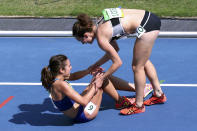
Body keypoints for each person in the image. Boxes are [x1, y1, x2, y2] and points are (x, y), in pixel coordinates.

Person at [72, 8, 167, 115]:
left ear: (86, 35)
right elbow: (115, 50)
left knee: (137, 67)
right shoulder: (100, 23)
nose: (83, 43)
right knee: (142, 60)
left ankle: (139, 105)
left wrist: (102, 78)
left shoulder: (101, 38)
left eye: (82, 41)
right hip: (149, 18)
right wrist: (95, 65)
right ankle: (159, 95)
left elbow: (117, 62)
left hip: (147, 25)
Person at [41, 54, 153, 123]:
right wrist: (96, 86)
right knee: (102, 79)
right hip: (83, 114)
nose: (71, 67)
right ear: (61, 70)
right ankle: (121, 102)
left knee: (101, 76)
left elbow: (73, 76)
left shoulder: (57, 79)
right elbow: (84, 102)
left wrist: (88, 71)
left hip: (78, 108)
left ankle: (138, 89)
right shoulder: (61, 85)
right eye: (69, 66)